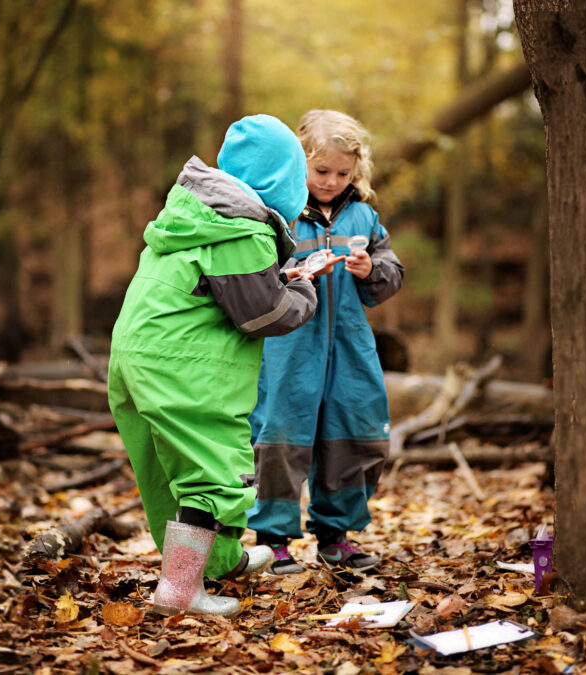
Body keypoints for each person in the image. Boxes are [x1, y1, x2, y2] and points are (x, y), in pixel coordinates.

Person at [107, 114, 341, 616]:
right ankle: (179, 591)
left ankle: (219, 560)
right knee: (216, 469)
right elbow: (264, 314)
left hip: (135, 354)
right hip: (183, 363)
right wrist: (301, 287)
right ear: (281, 180)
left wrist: (277, 276)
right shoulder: (244, 231)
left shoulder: (196, 217)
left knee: (171, 468)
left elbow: (224, 287)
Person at [248, 109, 404, 574]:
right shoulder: (281, 213)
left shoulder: (365, 216)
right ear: (300, 162)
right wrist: (289, 273)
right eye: (322, 171)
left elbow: (390, 275)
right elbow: (255, 277)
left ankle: (336, 535)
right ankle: (273, 538)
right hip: (289, 347)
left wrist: (371, 270)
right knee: (280, 434)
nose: (332, 181)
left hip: (350, 347)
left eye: (343, 173)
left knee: (353, 431)